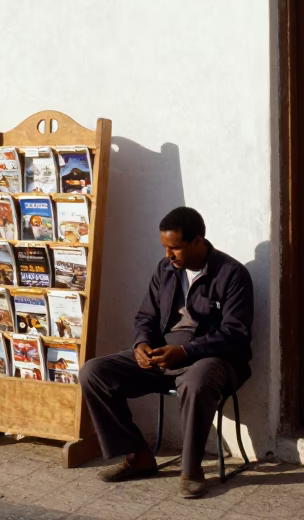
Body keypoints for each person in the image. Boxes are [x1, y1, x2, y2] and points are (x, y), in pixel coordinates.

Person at [79, 207, 253, 500]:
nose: (168, 254)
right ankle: (139, 456)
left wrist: (185, 352)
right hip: (163, 358)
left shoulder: (232, 274)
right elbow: (146, 316)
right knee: (94, 372)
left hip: (213, 361)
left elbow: (234, 334)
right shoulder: (165, 270)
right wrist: (141, 345)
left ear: (198, 242)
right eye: (164, 247)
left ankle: (191, 470)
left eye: (175, 247)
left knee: (196, 381)